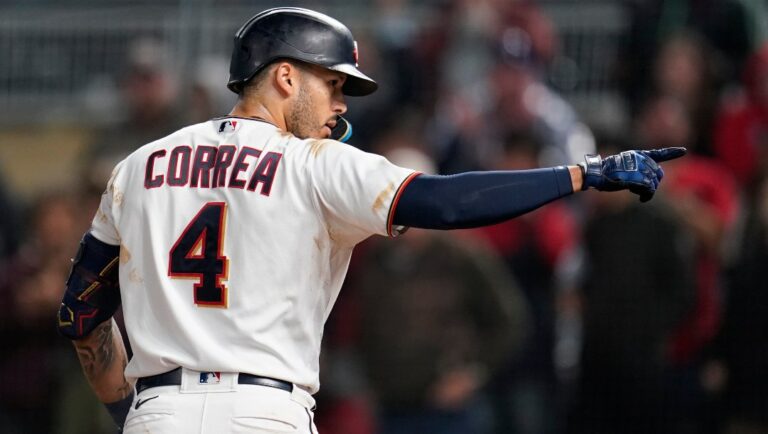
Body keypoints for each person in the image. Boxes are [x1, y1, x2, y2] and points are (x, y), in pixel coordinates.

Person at [56, 7, 685, 434]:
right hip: (262, 411)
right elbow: (446, 202)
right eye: (332, 85)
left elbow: (81, 314)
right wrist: (580, 174)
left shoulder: (138, 165)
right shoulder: (313, 164)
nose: (340, 104)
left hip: (159, 410)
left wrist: (133, 412)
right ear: (284, 77)